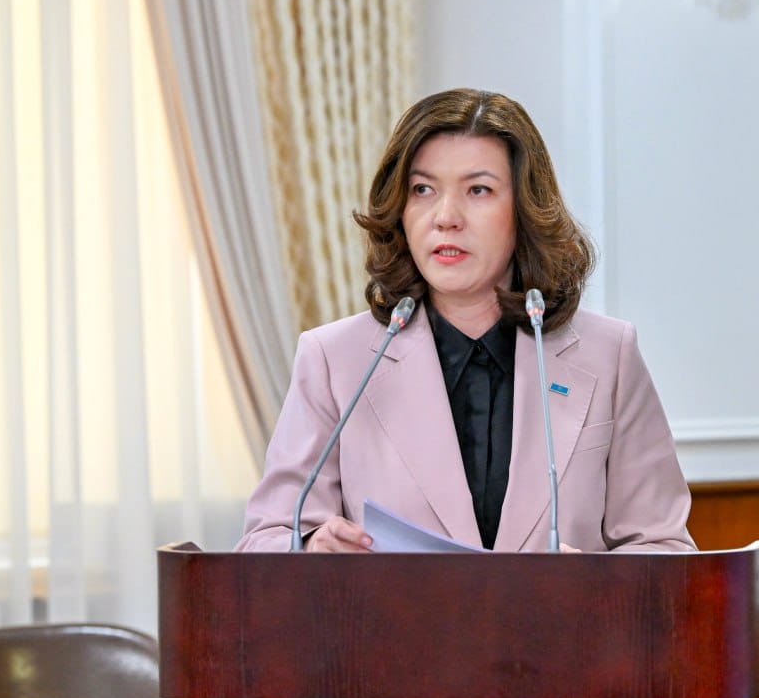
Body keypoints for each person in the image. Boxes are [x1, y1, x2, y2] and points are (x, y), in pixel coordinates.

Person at [236, 88, 695, 553]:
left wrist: (590, 583)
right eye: (423, 190)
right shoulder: (335, 359)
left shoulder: (607, 354)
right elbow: (264, 539)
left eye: (478, 190)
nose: (446, 217)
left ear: (525, 210)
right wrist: (312, 547)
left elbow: (664, 547)